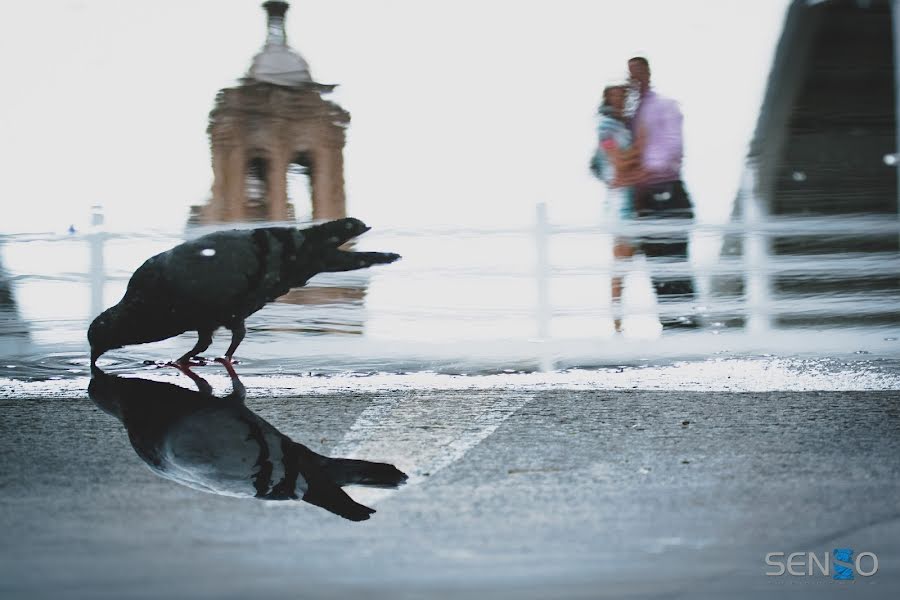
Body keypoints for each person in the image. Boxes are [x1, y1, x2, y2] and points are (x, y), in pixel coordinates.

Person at [627, 56, 697, 328]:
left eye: (638, 72)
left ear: (648, 73)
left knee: (676, 262)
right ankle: (670, 326)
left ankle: (687, 324)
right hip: (644, 200)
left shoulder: (665, 107)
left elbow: (673, 149)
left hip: (668, 193)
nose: (635, 79)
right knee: (656, 267)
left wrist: (644, 171)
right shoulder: (630, 116)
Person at [590, 84, 643, 332]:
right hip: (621, 205)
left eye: (625, 96)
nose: (622, 100)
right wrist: (642, 148)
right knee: (621, 265)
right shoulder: (606, 129)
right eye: (617, 96)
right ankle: (617, 326)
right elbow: (618, 163)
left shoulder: (623, 127)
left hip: (634, 202)